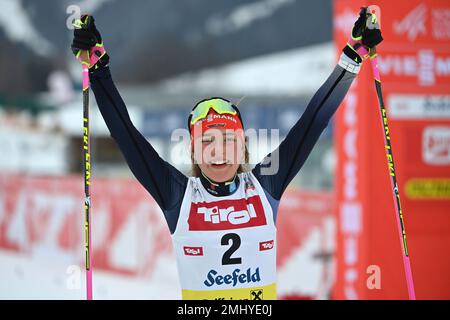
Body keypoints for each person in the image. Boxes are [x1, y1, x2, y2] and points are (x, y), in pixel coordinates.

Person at [71, 7, 382, 300]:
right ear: (193, 150)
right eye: (206, 142)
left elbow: (314, 120)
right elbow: (126, 134)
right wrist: (98, 68)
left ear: (242, 146)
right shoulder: (177, 195)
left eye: (228, 140)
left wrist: (353, 57)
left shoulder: (266, 184)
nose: (218, 151)